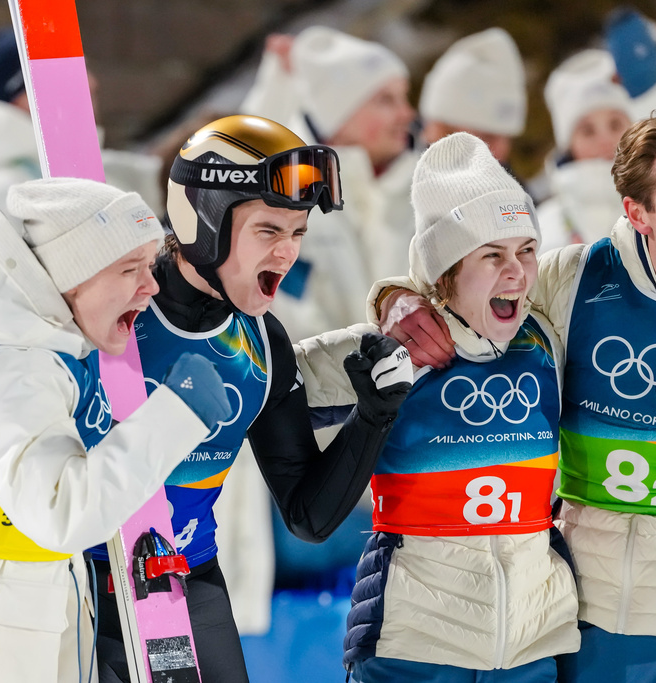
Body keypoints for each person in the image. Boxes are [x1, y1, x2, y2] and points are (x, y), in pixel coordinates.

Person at [370, 107, 656, 683]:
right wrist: (396, 299)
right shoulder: (575, 281)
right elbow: (468, 281)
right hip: (595, 622)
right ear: (638, 213)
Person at [0, 177, 233, 683]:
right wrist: (178, 412)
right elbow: (62, 512)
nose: (152, 286)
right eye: (130, 270)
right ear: (71, 279)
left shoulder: (55, 354)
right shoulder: (9, 369)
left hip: (18, 598)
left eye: (149, 267)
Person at [89, 114, 413, 683]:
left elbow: (309, 516)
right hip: (80, 580)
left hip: (186, 581)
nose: (287, 253)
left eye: (297, 233)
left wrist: (372, 416)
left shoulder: (261, 343)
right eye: (268, 231)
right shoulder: (108, 309)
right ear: (204, 220)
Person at [324, 132, 579, 681]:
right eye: (492, 255)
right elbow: (265, 383)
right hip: (413, 649)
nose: (516, 272)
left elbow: (641, 261)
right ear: (446, 271)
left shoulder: (546, 333)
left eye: (526, 250)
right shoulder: (399, 346)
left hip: (530, 650)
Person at [241, 25, 418, 340]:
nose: (407, 113)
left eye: (404, 97)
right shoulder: (289, 203)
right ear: (338, 115)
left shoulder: (417, 189)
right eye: (385, 100)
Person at [0, 27, 166, 249]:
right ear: (22, 97)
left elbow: (163, 179)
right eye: (71, 71)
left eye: (84, 68)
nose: (91, 83)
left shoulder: (93, 172)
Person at [536, 48, 633, 253]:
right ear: (569, 145)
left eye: (615, 124)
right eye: (588, 131)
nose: (605, 141)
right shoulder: (544, 226)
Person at [417, 28, 527, 166]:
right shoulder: (400, 185)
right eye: (487, 137)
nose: (500, 152)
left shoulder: (510, 185)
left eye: (508, 138)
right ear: (441, 130)